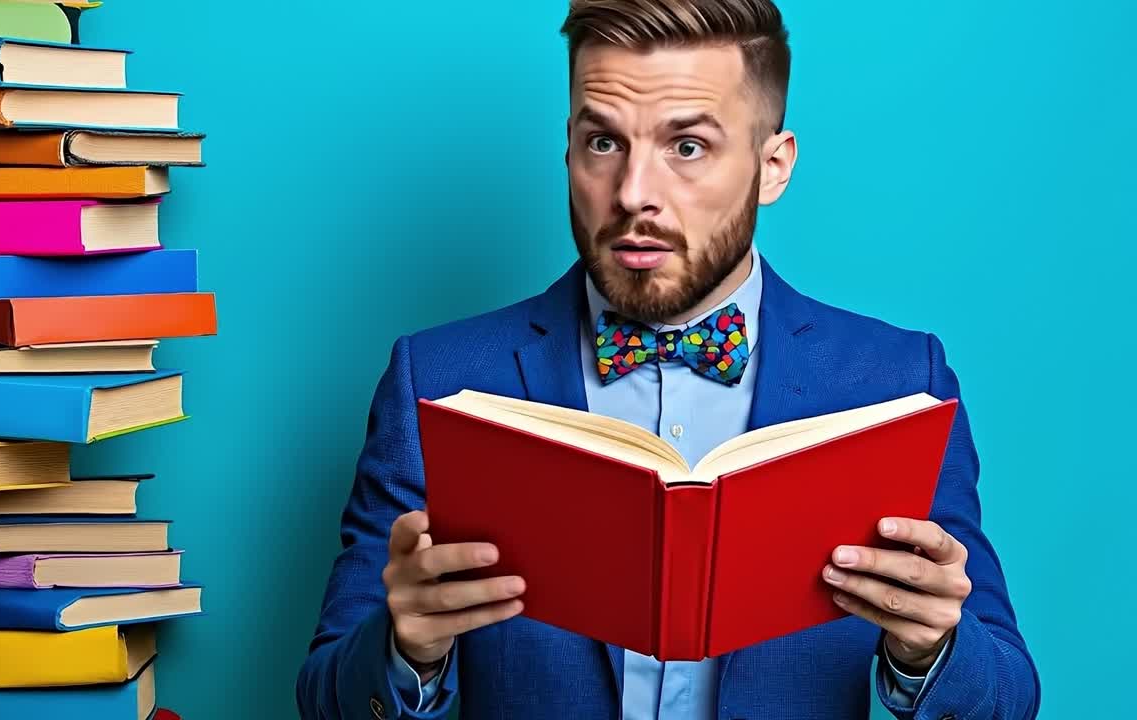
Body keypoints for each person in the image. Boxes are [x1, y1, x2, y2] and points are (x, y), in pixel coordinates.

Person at [296, 1, 1040, 718]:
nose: (633, 194)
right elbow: (327, 695)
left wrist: (930, 646)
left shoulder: (898, 383)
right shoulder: (437, 380)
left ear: (773, 166)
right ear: (568, 149)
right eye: (604, 142)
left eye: (687, 146)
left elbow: (1008, 695)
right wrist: (406, 649)